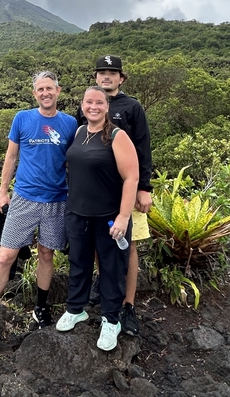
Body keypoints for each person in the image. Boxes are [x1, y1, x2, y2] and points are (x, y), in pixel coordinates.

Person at [0, 71, 78, 348]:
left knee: (46, 253)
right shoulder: (22, 118)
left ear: (58, 91)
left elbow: (74, 163)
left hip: (57, 199)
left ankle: (40, 307)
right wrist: (2, 192)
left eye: (50, 88)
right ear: (35, 94)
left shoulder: (69, 123)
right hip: (25, 198)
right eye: (40, 89)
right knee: (5, 255)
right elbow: (11, 156)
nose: (45, 93)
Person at [56, 86, 139, 351]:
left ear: (107, 107)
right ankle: (76, 308)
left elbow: (131, 178)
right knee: (78, 263)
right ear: (82, 106)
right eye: (88, 102)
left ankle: (111, 319)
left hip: (109, 217)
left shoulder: (117, 136)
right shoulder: (80, 132)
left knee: (112, 269)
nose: (93, 106)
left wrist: (124, 216)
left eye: (99, 102)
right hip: (78, 213)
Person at [78, 55, 153, 336]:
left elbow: (143, 148)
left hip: (126, 190)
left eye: (112, 72)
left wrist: (144, 188)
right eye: (102, 72)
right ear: (96, 77)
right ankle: (105, 284)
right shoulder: (87, 106)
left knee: (128, 245)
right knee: (100, 243)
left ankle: (127, 305)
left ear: (121, 78)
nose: (106, 76)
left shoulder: (132, 107)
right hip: (96, 192)